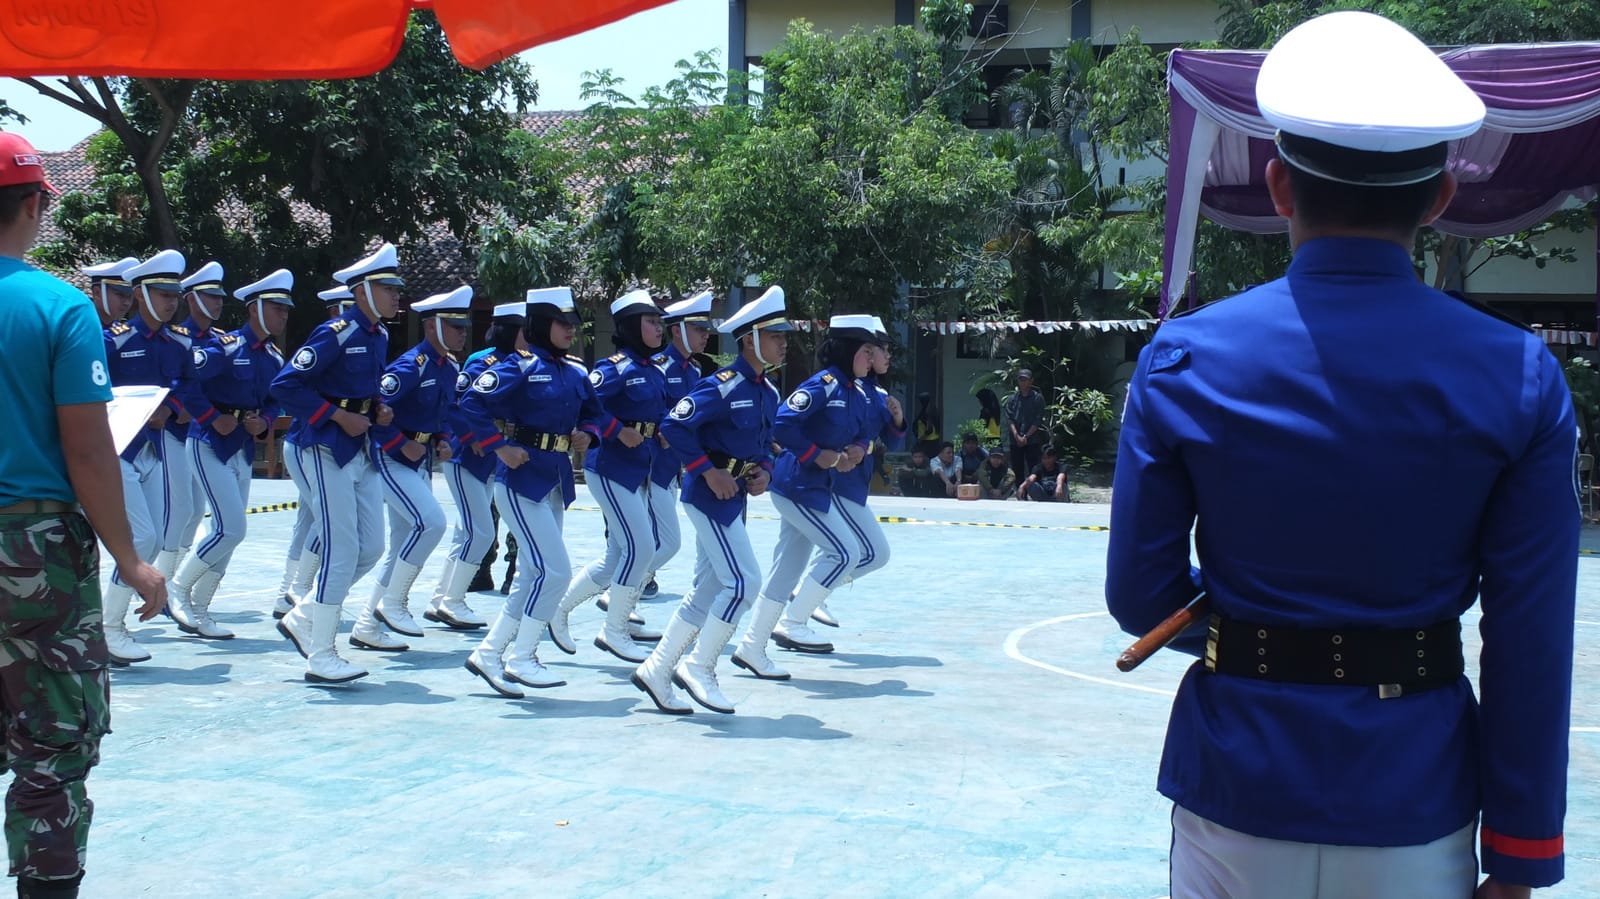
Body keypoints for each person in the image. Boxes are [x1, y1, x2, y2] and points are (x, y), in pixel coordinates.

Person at [1105, 13, 1575, 899]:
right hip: (1414, 800)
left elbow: (1140, 597)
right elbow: (1529, 641)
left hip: (1235, 787)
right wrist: (1520, 858)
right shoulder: (1518, 376)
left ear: (1280, 187)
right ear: (1439, 197)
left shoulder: (1184, 359)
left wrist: (1263, 628)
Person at [0, 130, 165, 899]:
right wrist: (130, 558)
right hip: (34, 550)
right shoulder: (60, 308)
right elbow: (90, 450)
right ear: (33, 206)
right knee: (53, 739)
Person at [457, 287, 622, 699]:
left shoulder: (577, 372)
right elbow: (471, 402)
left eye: (573, 323)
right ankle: (522, 657)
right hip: (520, 480)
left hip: (554, 480)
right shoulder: (520, 367)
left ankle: (490, 653)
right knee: (555, 571)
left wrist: (589, 434)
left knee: (532, 574)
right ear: (541, 325)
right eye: (562, 322)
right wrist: (498, 446)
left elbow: (597, 416)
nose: (571, 330)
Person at [631, 286, 787, 715]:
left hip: (735, 499)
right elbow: (675, 426)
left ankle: (658, 669)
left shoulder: (768, 392)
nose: (784, 343)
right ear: (750, 339)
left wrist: (766, 473)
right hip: (707, 495)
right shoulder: (723, 384)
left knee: (712, 585)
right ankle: (700, 666)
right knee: (744, 582)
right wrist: (707, 469)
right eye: (776, 336)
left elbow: (765, 443)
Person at [271, 243, 404, 684]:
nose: (396, 296)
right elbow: (287, 384)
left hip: (358, 448)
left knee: (372, 547)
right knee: (343, 547)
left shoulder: (380, 336)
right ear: (363, 291)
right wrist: (336, 415)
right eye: (389, 288)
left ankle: (304, 615)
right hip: (322, 447)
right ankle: (322, 654)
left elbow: (366, 389)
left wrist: (378, 406)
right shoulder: (337, 332)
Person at [733, 313, 882, 676]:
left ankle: (752, 646)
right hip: (796, 484)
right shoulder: (823, 386)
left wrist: (859, 449)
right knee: (846, 552)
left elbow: (865, 429)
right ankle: (795, 620)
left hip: (816, 488)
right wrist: (818, 454)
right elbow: (784, 421)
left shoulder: (857, 393)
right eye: (865, 351)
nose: (871, 358)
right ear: (848, 352)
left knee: (788, 569)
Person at [166, 269, 292, 641]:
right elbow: (183, 381)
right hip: (208, 442)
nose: (284, 316)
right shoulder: (225, 346)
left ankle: (200, 608)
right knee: (231, 527)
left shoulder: (271, 356)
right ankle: (177, 588)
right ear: (255, 309)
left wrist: (266, 421)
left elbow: (274, 398)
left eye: (286, 310)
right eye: (277, 308)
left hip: (241, 447)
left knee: (232, 533)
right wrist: (211, 417)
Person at [547, 289, 669, 663]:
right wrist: (618, 430)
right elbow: (590, 408)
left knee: (617, 556)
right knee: (643, 546)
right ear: (632, 327)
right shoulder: (613, 368)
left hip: (639, 469)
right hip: (611, 467)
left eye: (658, 321)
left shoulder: (655, 369)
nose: (658, 328)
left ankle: (557, 609)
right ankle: (614, 630)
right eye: (650, 322)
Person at [349, 286, 471, 652]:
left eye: (464, 326)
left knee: (402, 543)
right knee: (431, 522)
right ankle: (394, 602)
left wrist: (443, 439)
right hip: (390, 457)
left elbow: (445, 414)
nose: (463, 332)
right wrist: (401, 442)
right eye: (455, 326)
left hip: (419, 460)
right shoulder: (410, 366)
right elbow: (377, 410)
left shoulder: (448, 367)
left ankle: (366, 623)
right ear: (433, 326)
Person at [99, 249, 202, 665]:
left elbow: (190, 388)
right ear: (140, 294)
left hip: (152, 450)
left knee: (158, 537)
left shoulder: (178, 341)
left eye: (174, 293)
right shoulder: (115, 340)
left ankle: (107, 623)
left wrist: (174, 408)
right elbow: (93, 390)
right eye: (161, 293)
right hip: (117, 448)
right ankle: (109, 626)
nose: (170, 300)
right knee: (141, 537)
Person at [423, 300, 527, 632]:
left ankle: (441, 598)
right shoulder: (483, 361)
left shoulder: (522, 362)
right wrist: (473, 438)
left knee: (467, 532)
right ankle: (453, 602)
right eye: (527, 331)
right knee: (481, 531)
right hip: (467, 454)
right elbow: (459, 403)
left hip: (490, 457)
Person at [271, 285, 357, 620]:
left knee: (309, 520)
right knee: (325, 520)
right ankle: (297, 590)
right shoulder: (329, 342)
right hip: (306, 441)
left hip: (317, 442)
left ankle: (288, 593)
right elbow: (288, 387)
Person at [631, 290, 717, 602]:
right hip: (650, 464)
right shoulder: (658, 365)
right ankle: (625, 585)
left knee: (659, 541)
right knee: (667, 542)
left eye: (706, 329)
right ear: (677, 330)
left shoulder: (693, 370)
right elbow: (646, 407)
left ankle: (629, 590)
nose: (705, 336)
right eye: (699, 329)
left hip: (672, 466)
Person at [158, 261, 230, 583]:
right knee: (180, 508)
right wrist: (177, 407)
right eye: (210, 296)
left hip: (202, 435)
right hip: (175, 431)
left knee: (195, 510)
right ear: (192, 299)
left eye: (219, 297)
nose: (217, 302)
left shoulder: (221, 340)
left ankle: (173, 579)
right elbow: (167, 380)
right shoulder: (176, 337)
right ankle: (161, 579)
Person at [1002, 368, 1044, 486]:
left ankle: (1036, 493)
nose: (1023, 382)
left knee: (1034, 468)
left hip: (1032, 440)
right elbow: (1009, 419)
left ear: (1031, 381)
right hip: (1015, 441)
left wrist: (1025, 436)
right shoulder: (1012, 399)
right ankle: (1021, 495)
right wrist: (1016, 436)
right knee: (1017, 470)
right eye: (1021, 379)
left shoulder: (1037, 398)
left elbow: (1038, 420)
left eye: (1025, 379)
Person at [79, 258, 136, 329]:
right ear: (97, 293)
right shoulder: (79, 327)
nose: (127, 303)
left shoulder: (121, 332)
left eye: (130, 296)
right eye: (120, 295)